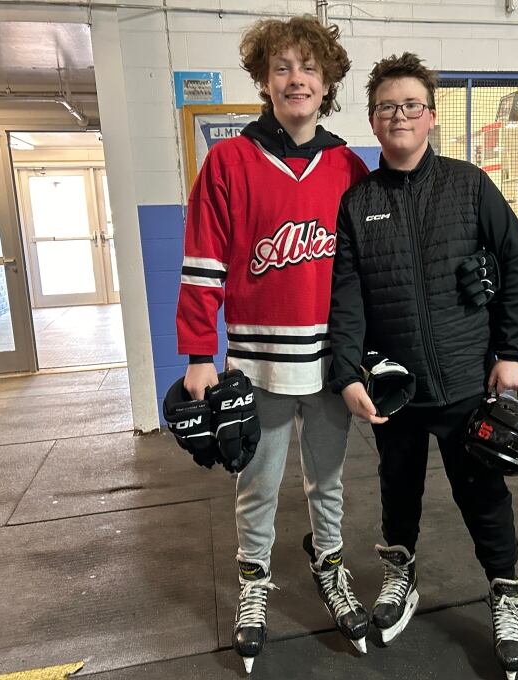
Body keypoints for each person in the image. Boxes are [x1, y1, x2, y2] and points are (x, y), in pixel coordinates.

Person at [329, 52, 518, 680]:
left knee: (483, 496)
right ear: (373, 122)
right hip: (391, 389)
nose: (400, 115)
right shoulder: (357, 202)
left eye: (411, 105)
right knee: (399, 493)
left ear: (430, 116)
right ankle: (401, 576)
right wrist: (346, 372)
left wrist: (513, 353)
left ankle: (505, 592)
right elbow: (344, 299)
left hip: (464, 385)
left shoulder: (469, 185)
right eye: (387, 106)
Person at [175, 16, 370, 674]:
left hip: (331, 366)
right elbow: (202, 264)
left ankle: (332, 569)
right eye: (282, 67)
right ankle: (254, 586)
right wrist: (200, 354)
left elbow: (368, 274)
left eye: (309, 68)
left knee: (330, 483)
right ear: (263, 80)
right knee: (256, 486)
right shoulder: (227, 161)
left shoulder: (348, 165)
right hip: (255, 365)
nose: (296, 78)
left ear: (327, 82)